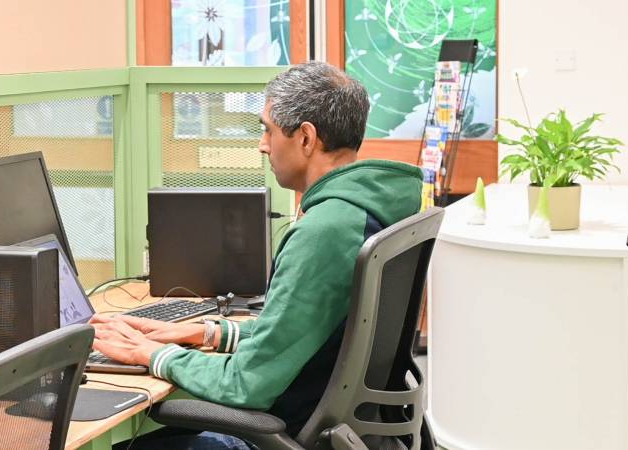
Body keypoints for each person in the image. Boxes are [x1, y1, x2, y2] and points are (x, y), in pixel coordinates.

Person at [90, 61, 423, 449]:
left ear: (305, 138)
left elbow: (247, 385)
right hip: (343, 425)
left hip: (291, 428)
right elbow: (307, 329)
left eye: (267, 129)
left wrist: (152, 354)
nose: (262, 144)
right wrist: (210, 332)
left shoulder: (324, 232)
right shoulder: (370, 209)